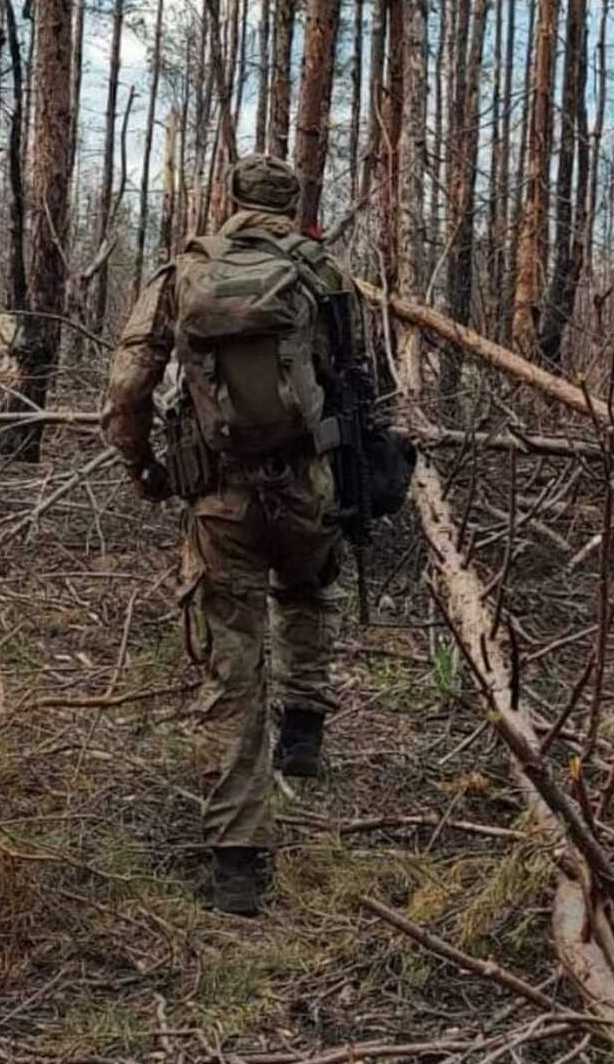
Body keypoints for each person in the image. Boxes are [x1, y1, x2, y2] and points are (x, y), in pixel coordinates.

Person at [103, 153, 410, 919]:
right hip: (308, 482)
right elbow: (360, 378)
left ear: (229, 200)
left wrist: (144, 465)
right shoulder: (326, 275)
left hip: (218, 494)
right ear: (294, 206)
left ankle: (237, 860)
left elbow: (125, 388)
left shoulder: (185, 271)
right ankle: (303, 730)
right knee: (306, 589)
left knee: (230, 663)